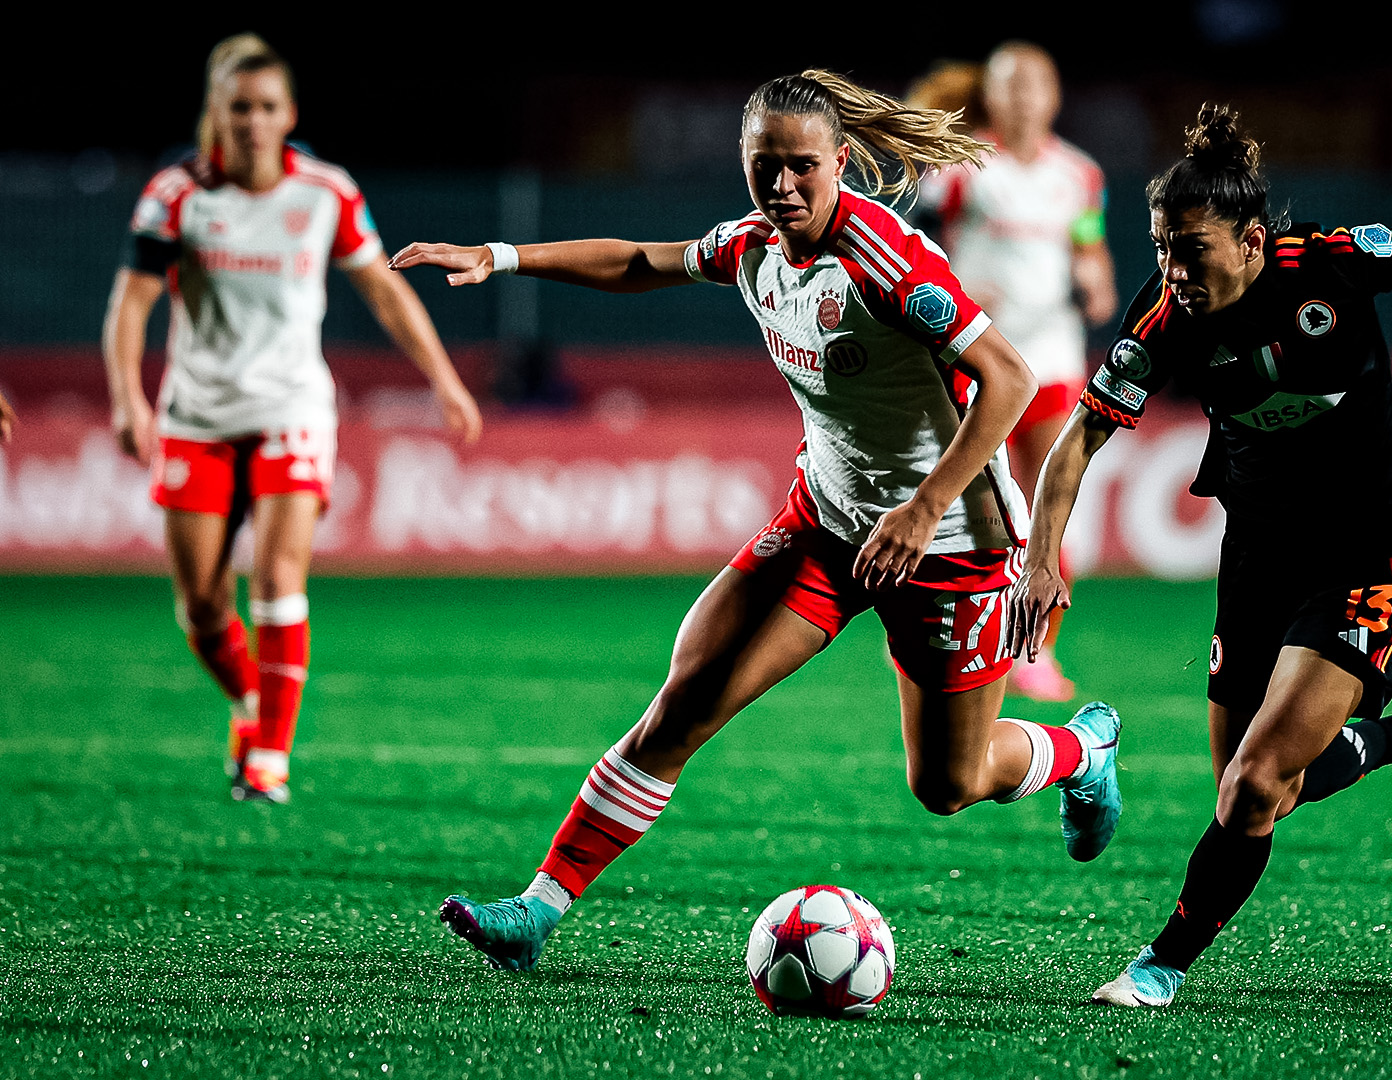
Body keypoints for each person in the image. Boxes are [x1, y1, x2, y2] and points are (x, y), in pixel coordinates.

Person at [392, 70, 1126, 972]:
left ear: (842, 162)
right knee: (685, 699)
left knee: (949, 784)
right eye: (764, 167)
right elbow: (644, 260)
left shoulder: (887, 259)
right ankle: (537, 911)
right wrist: (505, 257)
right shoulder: (754, 246)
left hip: (949, 546)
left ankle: (1081, 749)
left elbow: (1009, 381)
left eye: (801, 169)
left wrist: (923, 504)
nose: (781, 188)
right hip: (827, 520)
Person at [1011, 104, 1392, 1007]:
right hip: (1258, 562)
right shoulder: (1164, 318)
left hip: (1370, 560)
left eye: (1192, 249)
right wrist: (1041, 558)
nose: (1174, 270)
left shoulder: (1332, 264)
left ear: (1251, 241)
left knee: (1254, 783)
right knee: (1257, 793)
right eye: (1164, 248)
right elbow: (1081, 437)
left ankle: (1160, 965)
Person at [103, 34, 482, 803]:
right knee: (203, 606)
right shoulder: (177, 194)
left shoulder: (325, 193)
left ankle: (270, 755)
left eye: (267, 107)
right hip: (198, 413)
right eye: (238, 107)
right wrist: (127, 396)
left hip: (292, 407)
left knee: (278, 576)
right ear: (215, 111)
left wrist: (444, 379)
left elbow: (382, 289)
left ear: (289, 114)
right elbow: (133, 300)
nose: (252, 122)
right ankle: (250, 704)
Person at [917, 42, 1117, 701]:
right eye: (1013, 83)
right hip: (977, 358)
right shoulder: (961, 168)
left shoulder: (1079, 174)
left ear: (1055, 96)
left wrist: (1095, 284)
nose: (1026, 94)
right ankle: (957, 638)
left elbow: (1090, 251)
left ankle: (1037, 650)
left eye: (1038, 82)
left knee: (1054, 507)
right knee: (978, 509)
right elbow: (915, 250)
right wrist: (956, 293)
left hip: (1053, 358)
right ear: (993, 96)